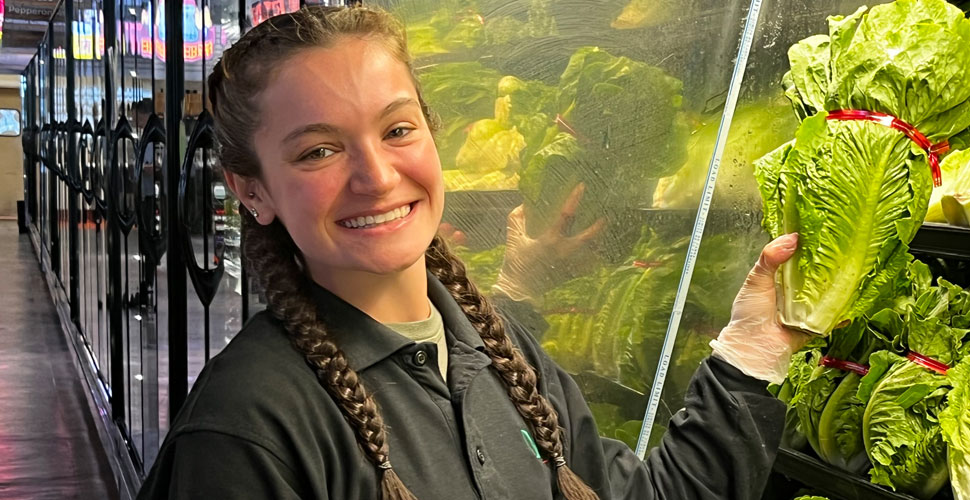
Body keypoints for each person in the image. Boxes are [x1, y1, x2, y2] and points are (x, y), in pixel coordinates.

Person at [137, 6, 808, 500]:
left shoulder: (499, 353)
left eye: (397, 128)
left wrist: (749, 356)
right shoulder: (243, 432)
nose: (376, 175)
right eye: (319, 149)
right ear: (253, 191)